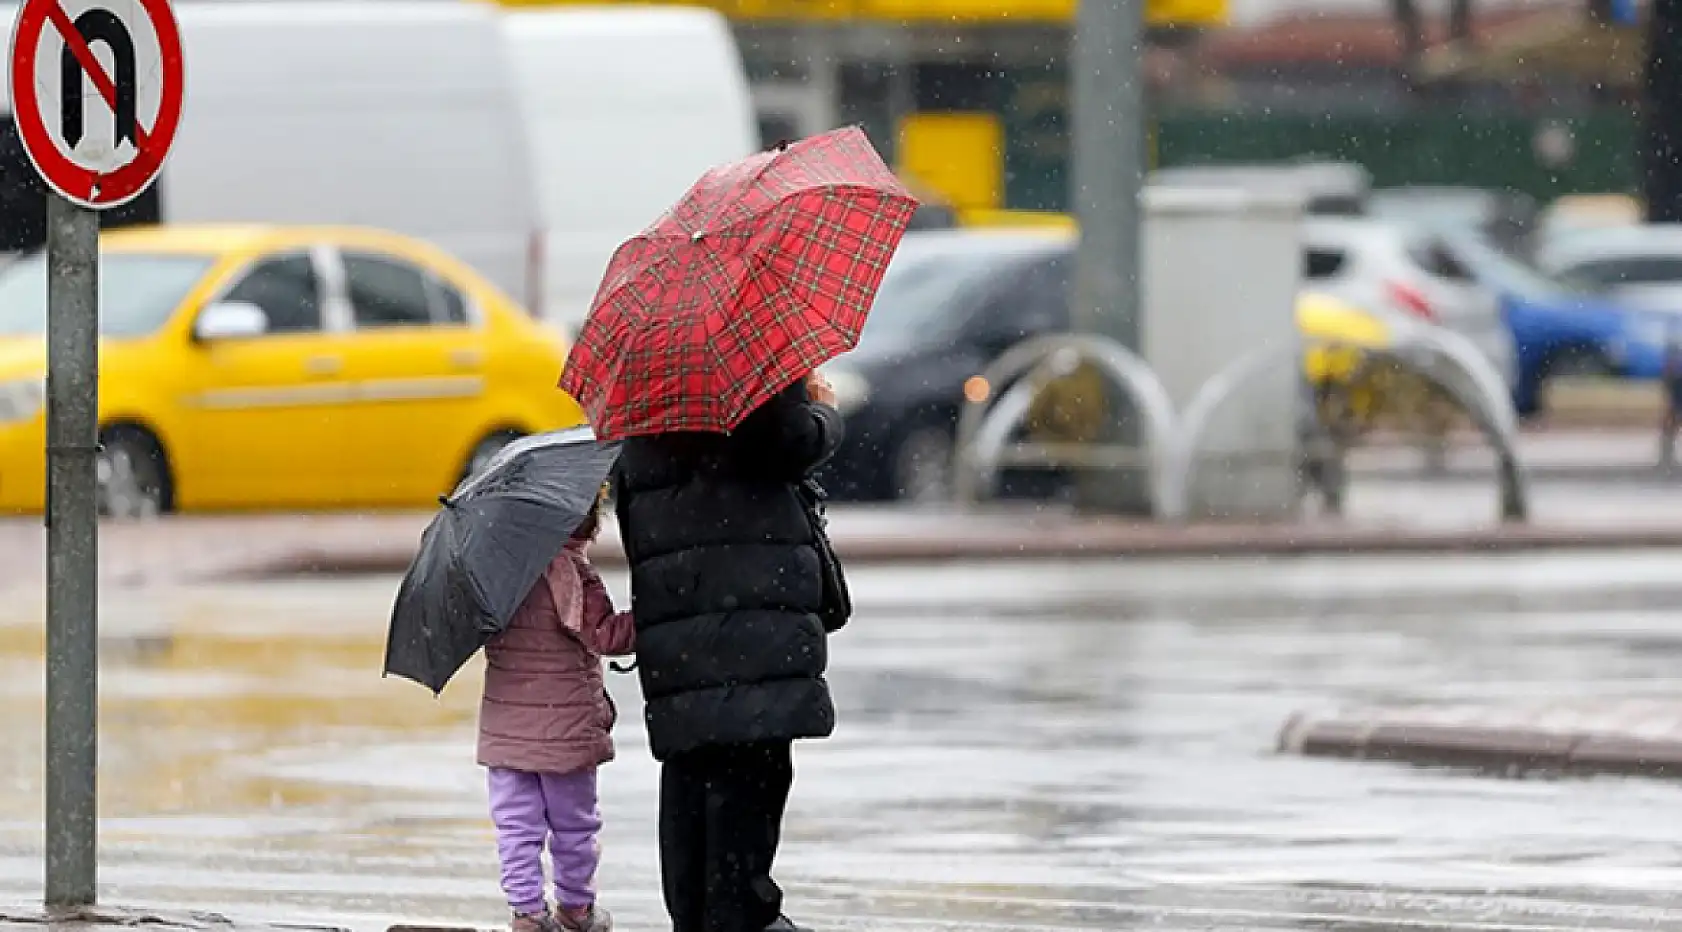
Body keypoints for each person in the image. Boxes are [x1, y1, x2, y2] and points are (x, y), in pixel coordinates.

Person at [612, 370, 846, 932]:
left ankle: (695, 912)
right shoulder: (749, 359)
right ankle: (740, 913)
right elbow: (785, 441)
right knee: (751, 762)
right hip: (752, 601)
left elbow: (631, 488)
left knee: (693, 760)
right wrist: (825, 413)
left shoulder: (644, 374)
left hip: (678, 599)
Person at [479, 495, 635, 932]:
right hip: (565, 727)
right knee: (573, 825)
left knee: (515, 826)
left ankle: (526, 912)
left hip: (506, 730)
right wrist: (648, 620)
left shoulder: (496, 574)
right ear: (584, 524)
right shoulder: (572, 574)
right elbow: (605, 636)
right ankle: (576, 908)